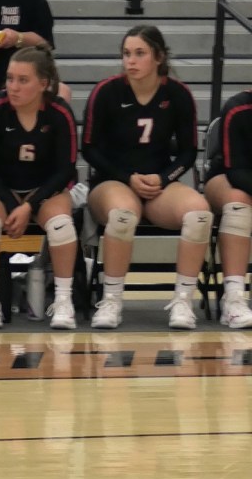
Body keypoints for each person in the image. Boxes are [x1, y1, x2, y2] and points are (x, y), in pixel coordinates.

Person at [82, 25, 211, 330]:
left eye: (140, 53)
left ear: (159, 57)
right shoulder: (107, 92)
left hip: (158, 184)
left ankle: (183, 301)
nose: (131, 60)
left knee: (200, 215)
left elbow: (189, 152)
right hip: (113, 181)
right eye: (126, 53)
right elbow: (89, 148)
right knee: (123, 215)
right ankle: (111, 301)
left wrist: (164, 179)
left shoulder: (177, 94)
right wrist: (128, 178)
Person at [0, 45, 78, 329]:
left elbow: (66, 170)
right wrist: (11, 205)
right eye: (10, 79)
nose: (13, 87)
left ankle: (64, 301)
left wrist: (30, 205)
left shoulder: (59, 113)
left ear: (43, 84)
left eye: (22, 80)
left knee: (61, 225)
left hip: (43, 189)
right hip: (0, 188)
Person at [202, 89, 252, 328]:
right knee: (239, 202)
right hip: (228, 178)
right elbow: (236, 171)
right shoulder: (238, 108)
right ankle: (233, 299)